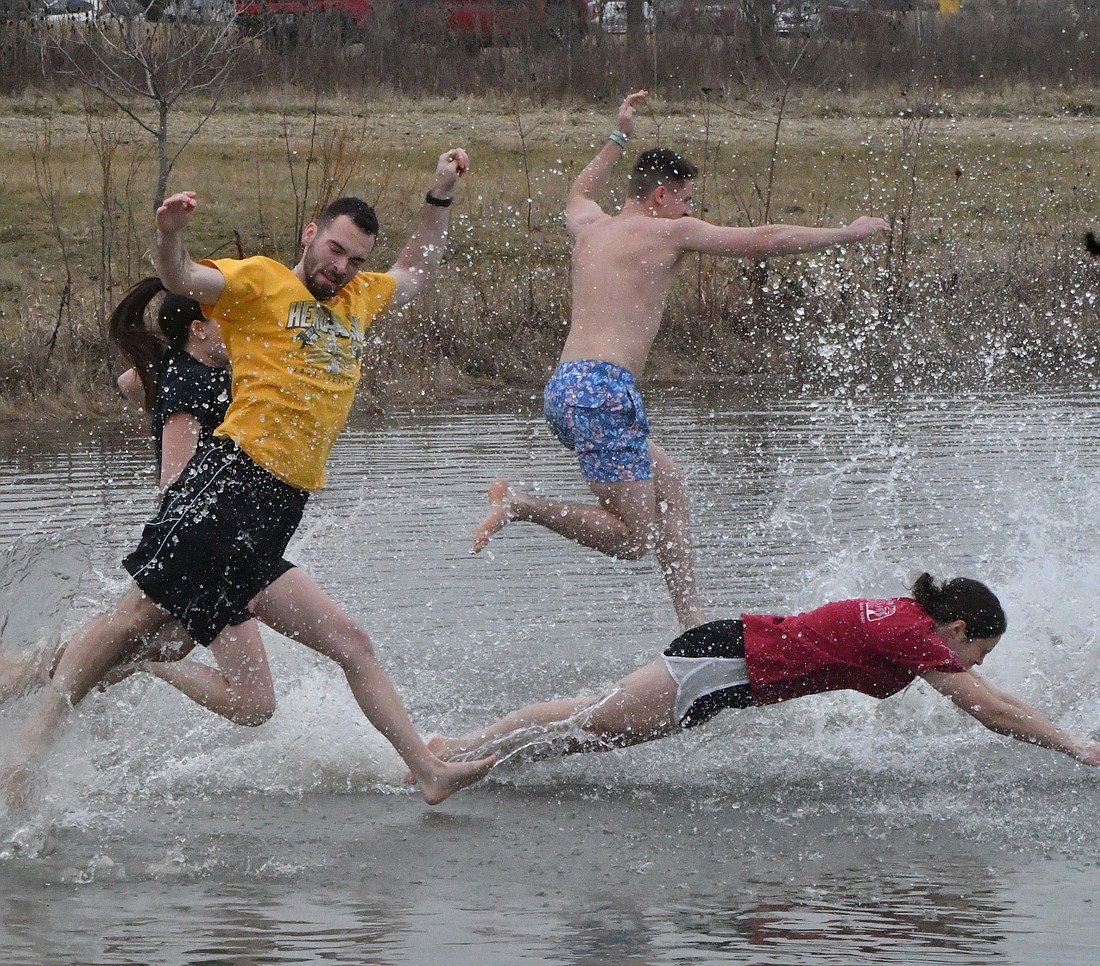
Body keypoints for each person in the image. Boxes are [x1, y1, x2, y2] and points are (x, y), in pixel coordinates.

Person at [1, 149, 494, 808]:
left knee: (343, 641)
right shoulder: (259, 282)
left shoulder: (359, 299)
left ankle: (426, 773)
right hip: (228, 482)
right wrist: (169, 235)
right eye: (335, 250)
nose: (341, 267)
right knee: (138, 617)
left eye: (354, 259)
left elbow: (416, 270)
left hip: (278, 508)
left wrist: (439, 195)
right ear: (309, 237)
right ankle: (31, 745)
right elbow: (181, 278)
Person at [472, 90, 891, 630]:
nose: (692, 211)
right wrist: (844, 233)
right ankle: (523, 505)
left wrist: (618, 134)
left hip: (569, 387)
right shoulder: (669, 230)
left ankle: (690, 620)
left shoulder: (591, 225)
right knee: (632, 539)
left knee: (669, 484)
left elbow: (579, 190)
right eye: (688, 199)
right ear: (663, 196)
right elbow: (765, 240)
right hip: (602, 391)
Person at [431, 574, 1100, 772]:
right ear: (956, 631)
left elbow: (991, 697)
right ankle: (454, 752)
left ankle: (476, 768)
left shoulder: (910, 624)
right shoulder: (912, 634)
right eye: (980, 650)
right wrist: (1076, 747)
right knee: (589, 719)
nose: (977, 665)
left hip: (731, 669)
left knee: (593, 732)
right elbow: (992, 710)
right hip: (725, 660)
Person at [106, 277, 276, 726]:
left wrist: (163, 371)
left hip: (217, 535)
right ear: (198, 328)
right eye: (223, 320)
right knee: (143, 644)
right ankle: (46, 677)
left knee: (149, 639)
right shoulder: (189, 383)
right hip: (200, 539)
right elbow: (174, 480)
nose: (234, 327)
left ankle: (37, 676)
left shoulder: (191, 369)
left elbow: (128, 381)